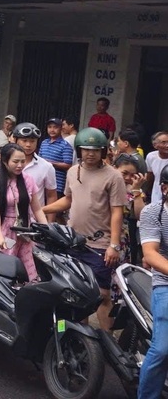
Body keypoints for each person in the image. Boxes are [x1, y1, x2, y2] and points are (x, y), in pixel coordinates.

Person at [42, 127, 128, 330]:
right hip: (73, 241)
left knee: (102, 295)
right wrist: (39, 209)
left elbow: (117, 212)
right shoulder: (73, 171)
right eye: (86, 149)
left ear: (103, 151)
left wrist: (114, 245)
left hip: (100, 244)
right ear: (79, 150)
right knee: (76, 293)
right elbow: (68, 200)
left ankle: (108, 344)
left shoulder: (113, 176)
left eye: (96, 150)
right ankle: (80, 337)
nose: (90, 154)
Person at [0, 143, 49, 281]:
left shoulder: (28, 180)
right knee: (4, 273)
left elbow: (37, 209)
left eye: (23, 161)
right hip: (3, 230)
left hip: (24, 232)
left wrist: (47, 230)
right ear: (5, 161)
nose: (20, 165)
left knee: (31, 274)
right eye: (15, 161)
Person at [136, 170, 168, 399]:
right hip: (165, 282)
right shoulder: (153, 212)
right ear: (165, 188)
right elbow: (151, 254)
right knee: (163, 349)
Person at [8, 122, 58, 217]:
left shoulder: (46, 166)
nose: (28, 145)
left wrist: (50, 223)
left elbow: (51, 196)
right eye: (24, 140)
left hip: (34, 221)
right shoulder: (3, 164)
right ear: (15, 140)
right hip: (7, 219)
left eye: (32, 141)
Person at [116, 154, 149, 266]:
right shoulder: (104, 184)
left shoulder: (135, 190)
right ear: (114, 169)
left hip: (121, 237)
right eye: (124, 173)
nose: (128, 178)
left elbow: (141, 215)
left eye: (132, 175)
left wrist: (136, 191)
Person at [38, 117, 74, 195]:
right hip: (42, 183)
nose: (52, 130)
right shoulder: (44, 143)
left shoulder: (65, 145)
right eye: (50, 127)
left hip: (57, 185)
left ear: (61, 129)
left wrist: (50, 163)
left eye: (55, 127)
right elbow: (38, 160)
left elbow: (68, 165)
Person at [147, 132, 168, 208]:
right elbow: (150, 176)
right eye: (164, 142)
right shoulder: (151, 156)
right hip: (156, 194)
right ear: (155, 145)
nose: (167, 145)